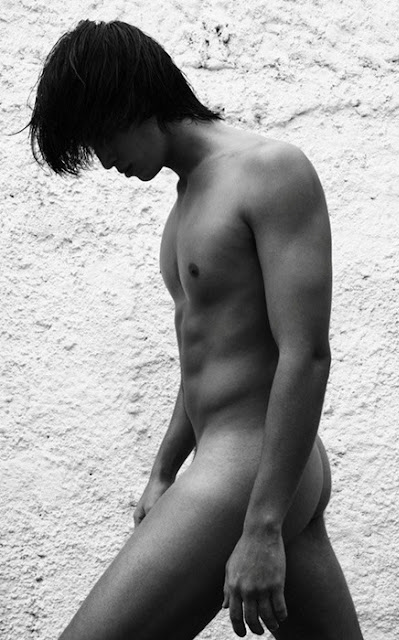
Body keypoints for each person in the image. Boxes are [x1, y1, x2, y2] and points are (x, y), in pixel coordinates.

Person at [29, 19, 365, 640]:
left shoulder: (270, 170)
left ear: (132, 101)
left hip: (250, 467)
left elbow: (307, 353)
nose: (104, 160)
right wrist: (164, 469)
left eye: (101, 137)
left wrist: (262, 525)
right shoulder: (186, 201)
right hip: (239, 461)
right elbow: (203, 355)